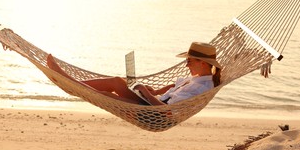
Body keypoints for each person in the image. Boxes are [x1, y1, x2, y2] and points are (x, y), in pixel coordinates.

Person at [46, 42, 222, 105]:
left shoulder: (202, 87)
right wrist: (154, 91)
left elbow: (167, 112)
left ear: (203, 63)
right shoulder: (195, 79)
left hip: (153, 114)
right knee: (117, 81)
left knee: (108, 92)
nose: (186, 64)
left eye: (189, 61)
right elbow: (170, 92)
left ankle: (66, 81)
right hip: (149, 104)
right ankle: (69, 82)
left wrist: (145, 93)